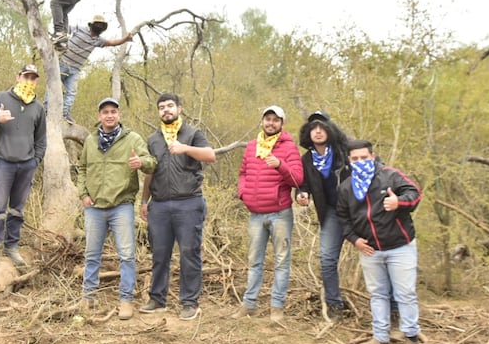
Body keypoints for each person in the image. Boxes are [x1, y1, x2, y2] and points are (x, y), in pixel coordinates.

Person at [336, 139, 422, 344]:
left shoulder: (389, 175)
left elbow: (415, 193)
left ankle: (411, 340)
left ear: (372, 157)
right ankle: (380, 338)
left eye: (364, 157)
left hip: (400, 246)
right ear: (349, 161)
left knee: (405, 294)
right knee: (378, 295)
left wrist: (399, 202)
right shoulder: (346, 187)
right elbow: (343, 218)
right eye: (355, 159)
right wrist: (354, 240)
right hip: (370, 250)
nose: (360, 162)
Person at [139, 93, 216, 321]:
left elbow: (210, 155)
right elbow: (150, 172)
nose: (166, 110)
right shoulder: (153, 139)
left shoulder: (192, 134)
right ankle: (157, 299)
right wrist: (144, 201)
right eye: (162, 107)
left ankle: (190, 303)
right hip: (160, 205)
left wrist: (185, 148)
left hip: (188, 202)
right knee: (160, 254)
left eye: (170, 106)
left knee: (188, 253)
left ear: (179, 109)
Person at [78, 97, 156, 320]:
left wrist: (140, 163)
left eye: (113, 111)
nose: (109, 115)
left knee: (127, 255)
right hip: (94, 207)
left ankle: (126, 300)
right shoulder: (91, 141)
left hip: (121, 205)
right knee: (92, 255)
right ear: (99, 116)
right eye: (105, 112)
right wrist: (83, 194)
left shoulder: (132, 139)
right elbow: (81, 168)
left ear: (119, 115)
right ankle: (88, 297)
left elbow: (151, 161)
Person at [232, 105, 304, 323]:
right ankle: (249, 304)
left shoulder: (289, 148)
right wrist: (242, 192)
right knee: (254, 261)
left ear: (282, 124)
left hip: (280, 212)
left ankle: (276, 307)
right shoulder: (253, 146)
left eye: (276, 120)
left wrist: (281, 165)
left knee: (281, 261)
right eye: (268, 119)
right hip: (255, 214)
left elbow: (298, 180)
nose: (271, 123)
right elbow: (243, 172)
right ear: (262, 121)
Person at [0, 64, 46, 267]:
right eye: (26, 76)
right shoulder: (2, 98)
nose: (29, 81)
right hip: (3, 163)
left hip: (26, 165)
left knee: (17, 209)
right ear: (18, 77)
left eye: (33, 78)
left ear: (36, 81)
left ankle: (11, 247)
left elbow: (41, 138)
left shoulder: (38, 107)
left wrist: (36, 160)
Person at [296, 110, 351, 320]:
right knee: (327, 259)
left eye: (321, 127)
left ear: (329, 130)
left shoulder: (343, 151)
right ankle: (335, 305)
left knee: (378, 255)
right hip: (330, 213)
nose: (317, 132)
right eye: (313, 129)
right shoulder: (307, 159)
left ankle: (390, 308)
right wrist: (302, 195)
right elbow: (303, 185)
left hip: (356, 211)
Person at [57, 14, 134, 125]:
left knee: (71, 92)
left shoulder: (98, 40)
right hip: (63, 63)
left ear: (103, 28)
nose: (98, 26)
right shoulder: (80, 29)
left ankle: (64, 114)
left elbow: (112, 43)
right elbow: (63, 29)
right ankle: (46, 109)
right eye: (97, 23)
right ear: (92, 24)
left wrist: (125, 39)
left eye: (101, 25)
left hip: (75, 69)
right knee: (54, 87)